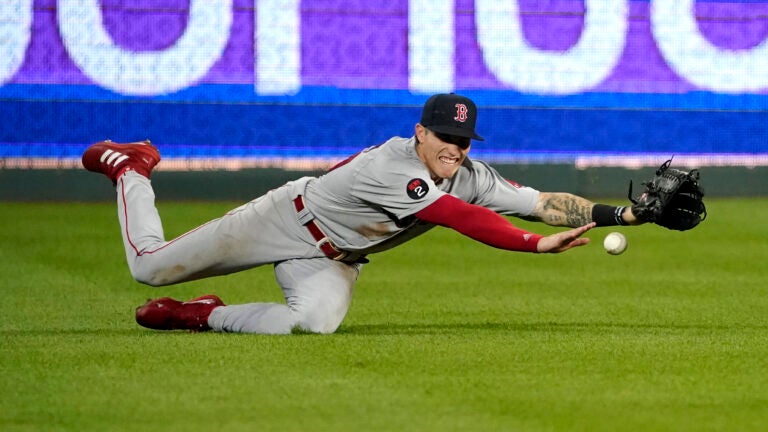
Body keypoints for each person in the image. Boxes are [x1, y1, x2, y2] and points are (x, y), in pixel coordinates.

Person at [82, 93, 640, 335]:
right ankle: (131, 169)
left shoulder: (470, 172)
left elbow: (543, 203)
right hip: (284, 219)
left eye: (464, 139)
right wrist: (533, 245)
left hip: (335, 258)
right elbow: (456, 216)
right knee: (147, 268)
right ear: (421, 132)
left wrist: (631, 214)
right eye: (445, 135)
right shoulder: (392, 165)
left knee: (311, 326)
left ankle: (198, 316)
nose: (456, 147)